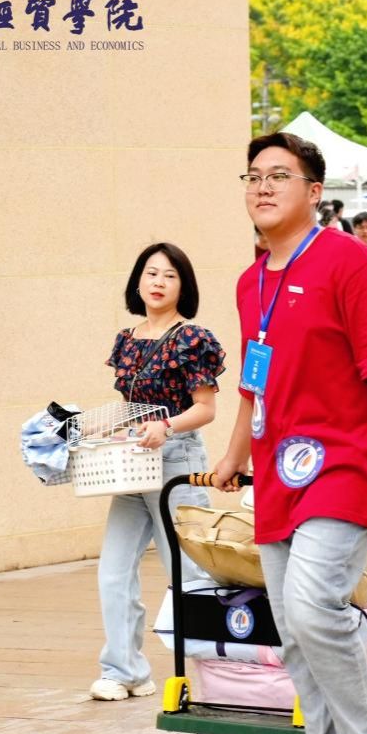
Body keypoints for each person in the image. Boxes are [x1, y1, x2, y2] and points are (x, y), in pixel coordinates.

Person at [214, 132, 367, 734]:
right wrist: (232, 454)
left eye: (278, 175)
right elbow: (254, 382)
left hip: (345, 464)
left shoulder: (353, 263)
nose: (262, 186)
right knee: (292, 626)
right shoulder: (250, 282)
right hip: (274, 473)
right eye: (253, 175)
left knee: (314, 608)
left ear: (314, 191)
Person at [92, 243, 226, 702]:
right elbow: (130, 406)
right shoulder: (127, 339)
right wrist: (97, 427)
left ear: (183, 287)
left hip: (176, 461)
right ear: (138, 281)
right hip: (132, 462)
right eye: (151, 273)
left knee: (189, 575)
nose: (158, 282)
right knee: (113, 572)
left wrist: (166, 426)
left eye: (170, 276)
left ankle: (215, 671)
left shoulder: (192, 339)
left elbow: (206, 409)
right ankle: (125, 671)